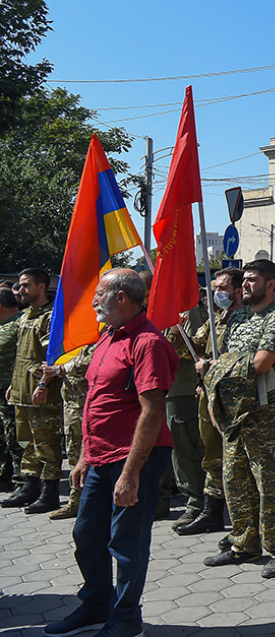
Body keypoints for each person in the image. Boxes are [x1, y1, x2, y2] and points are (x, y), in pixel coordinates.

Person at [42, 269, 178, 637]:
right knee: (87, 534)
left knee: (127, 542)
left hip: (135, 459)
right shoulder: (107, 338)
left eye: (99, 294)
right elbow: (96, 401)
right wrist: (86, 455)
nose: (93, 302)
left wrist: (131, 473)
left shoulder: (147, 343)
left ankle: (126, 617)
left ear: (122, 297)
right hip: (101, 458)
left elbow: (151, 411)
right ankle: (96, 605)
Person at [200, 259, 275, 579]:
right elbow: (232, 359)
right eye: (243, 279)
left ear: (271, 284)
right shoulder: (239, 316)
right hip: (237, 412)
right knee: (235, 481)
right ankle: (244, 543)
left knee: (268, 484)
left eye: (253, 280)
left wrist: (214, 369)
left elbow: (261, 363)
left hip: (268, 412)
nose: (245, 284)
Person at [178, 267, 243, 536]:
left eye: (223, 288)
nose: (218, 293)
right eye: (216, 287)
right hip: (209, 396)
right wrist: (177, 329)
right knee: (212, 456)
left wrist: (212, 367)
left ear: (239, 290)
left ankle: (245, 519)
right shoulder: (216, 320)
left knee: (238, 460)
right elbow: (190, 349)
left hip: (235, 400)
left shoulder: (247, 321)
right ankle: (212, 513)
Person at [2, 268, 64, 513]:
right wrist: (12, 385)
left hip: (42, 394)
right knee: (27, 442)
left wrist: (43, 385)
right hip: (21, 391)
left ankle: (50, 494)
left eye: (26, 285)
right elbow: (22, 356)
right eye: (19, 285)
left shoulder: (51, 317)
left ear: (41, 287)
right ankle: (29, 487)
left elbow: (53, 359)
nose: (20, 290)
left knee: (46, 445)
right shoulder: (25, 316)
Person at [162, 293, 207, 530]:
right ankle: (159, 501)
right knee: (156, 449)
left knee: (183, 449)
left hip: (180, 389)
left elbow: (195, 350)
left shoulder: (186, 311)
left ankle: (195, 502)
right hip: (155, 389)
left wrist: (174, 339)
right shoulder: (150, 314)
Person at [0, 287, 22, 493]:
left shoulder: (19, 324)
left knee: (13, 438)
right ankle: (4, 477)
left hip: (12, 391)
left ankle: (21, 480)